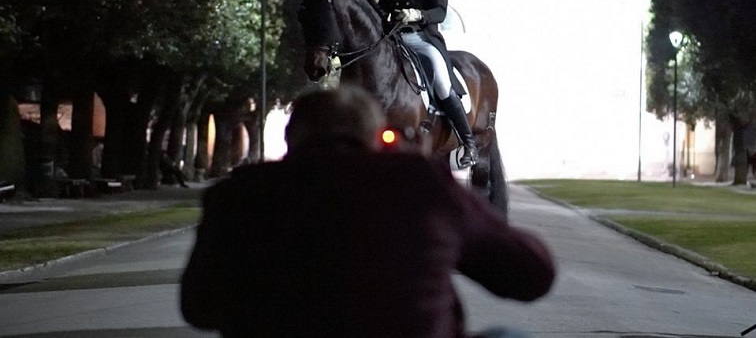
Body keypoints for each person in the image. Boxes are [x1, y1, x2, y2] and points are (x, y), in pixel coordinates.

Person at [181, 84, 556, 337]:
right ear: (375, 136)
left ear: (292, 138)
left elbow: (199, 310)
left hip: (421, 39)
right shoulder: (417, 179)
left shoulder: (237, 194)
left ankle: (463, 127)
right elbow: (533, 275)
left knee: (442, 79)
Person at [378, 0, 478, 168]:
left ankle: (468, 143)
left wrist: (417, 15)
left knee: (443, 84)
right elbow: (379, 12)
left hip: (422, 40)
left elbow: (440, 12)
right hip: (394, 39)